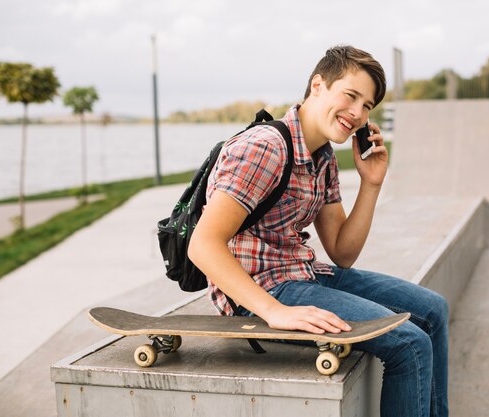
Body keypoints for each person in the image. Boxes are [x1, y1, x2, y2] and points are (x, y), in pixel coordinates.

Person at [188, 45, 449, 417]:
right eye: (351, 96)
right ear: (318, 85)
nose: (358, 114)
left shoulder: (322, 155)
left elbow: (342, 251)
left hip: (304, 274)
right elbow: (203, 244)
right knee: (408, 344)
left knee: (434, 310)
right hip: (262, 291)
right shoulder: (265, 148)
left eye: (368, 106)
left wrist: (371, 183)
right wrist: (274, 311)